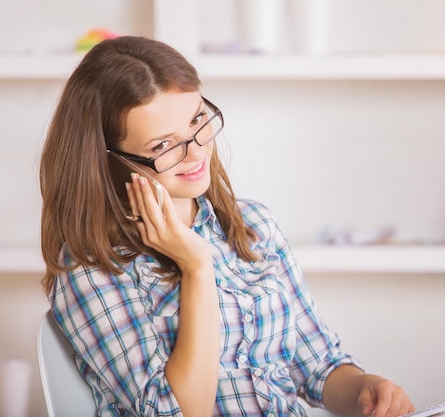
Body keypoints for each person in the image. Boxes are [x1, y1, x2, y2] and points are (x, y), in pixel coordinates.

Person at [39, 35, 415, 417]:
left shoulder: (252, 225)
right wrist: (197, 267)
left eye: (197, 120)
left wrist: (366, 389)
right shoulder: (92, 266)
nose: (196, 152)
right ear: (109, 161)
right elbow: (181, 413)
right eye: (163, 146)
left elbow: (318, 366)